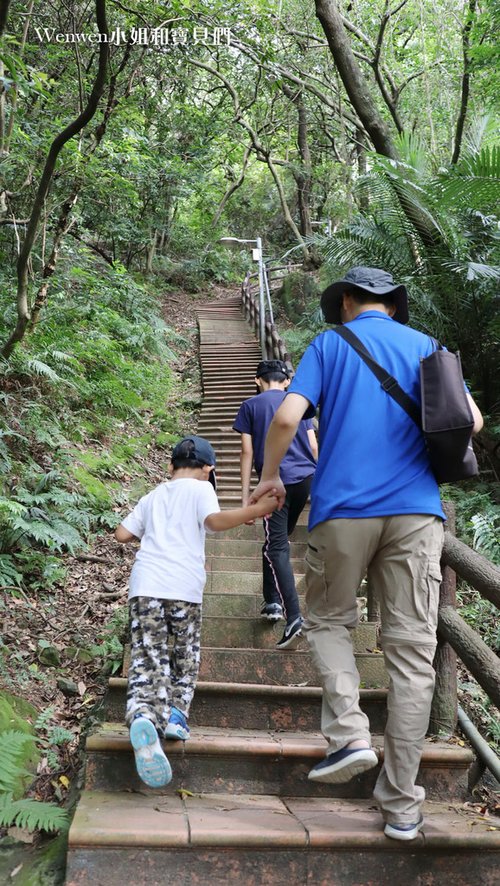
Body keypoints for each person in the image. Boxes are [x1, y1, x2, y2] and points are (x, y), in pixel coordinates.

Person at [249, 267, 483, 840]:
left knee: (327, 619)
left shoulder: (330, 344)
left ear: (349, 302)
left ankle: (350, 732)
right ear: (394, 306)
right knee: (410, 655)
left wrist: (271, 476)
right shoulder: (429, 346)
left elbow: (285, 416)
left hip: (343, 510)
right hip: (417, 515)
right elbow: (471, 420)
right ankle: (402, 804)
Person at [115, 435, 278, 789]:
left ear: (170, 466)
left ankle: (144, 714)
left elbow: (122, 534)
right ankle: (175, 716)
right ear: (208, 469)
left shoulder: (153, 495)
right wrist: (255, 511)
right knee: (184, 656)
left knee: (148, 658)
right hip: (184, 589)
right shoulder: (203, 489)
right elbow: (215, 522)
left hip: (146, 588)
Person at [233, 359, 317, 649]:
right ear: (287, 381)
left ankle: (294, 615)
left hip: (274, 483)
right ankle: (272, 601)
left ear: (258, 380)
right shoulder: (299, 403)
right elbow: (313, 444)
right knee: (275, 541)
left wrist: (246, 499)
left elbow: (246, 452)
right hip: (305, 479)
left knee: (277, 544)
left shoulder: (250, 406)